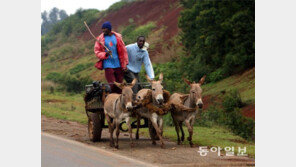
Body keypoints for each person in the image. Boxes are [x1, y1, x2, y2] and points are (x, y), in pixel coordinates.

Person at [94, 21, 128, 93]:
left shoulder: (117, 37)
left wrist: (125, 63)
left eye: (104, 28)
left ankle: (119, 99)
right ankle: (112, 98)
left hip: (118, 63)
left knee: (119, 84)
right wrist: (105, 54)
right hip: (108, 63)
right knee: (112, 83)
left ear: (109, 29)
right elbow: (97, 51)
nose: (103, 30)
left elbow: (123, 51)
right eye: (102, 29)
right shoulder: (100, 39)